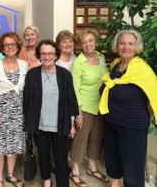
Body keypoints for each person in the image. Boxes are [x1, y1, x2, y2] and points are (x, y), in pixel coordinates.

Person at [99, 30, 157, 187]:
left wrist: (144, 116)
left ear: (136, 47)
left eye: (130, 44)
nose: (126, 47)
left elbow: (154, 95)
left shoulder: (142, 69)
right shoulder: (115, 65)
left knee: (132, 165)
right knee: (113, 157)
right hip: (111, 122)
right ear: (117, 46)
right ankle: (115, 183)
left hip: (133, 126)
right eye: (122, 43)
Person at [23, 40, 79, 187]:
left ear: (56, 55)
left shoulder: (65, 74)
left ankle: (62, 183)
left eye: (50, 53)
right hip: (39, 125)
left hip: (60, 124)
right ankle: (46, 180)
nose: (47, 56)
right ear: (39, 55)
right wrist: (28, 123)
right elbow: (27, 100)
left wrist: (72, 123)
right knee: (43, 154)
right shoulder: (32, 74)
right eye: (43, 53)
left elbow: (70, 100)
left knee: (61, 157)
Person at [0, 32, 29, 187]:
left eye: (13, 44)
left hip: (19, 111)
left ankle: (10, 175)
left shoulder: (24, 65)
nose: (10, 47)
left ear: (18, 46)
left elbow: (27, 89)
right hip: (1, 111)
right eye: (7, 45)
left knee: (14, 145)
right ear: (2, 48)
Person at [69, 29, 108, 187]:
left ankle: (92, 167)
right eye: (84, 42)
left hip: (101, 105)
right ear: (80, 45)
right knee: (80, 139)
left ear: (96, 42)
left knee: (97, 137)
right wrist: (78, 112)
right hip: (84, 106)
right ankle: (75, 171)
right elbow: (75, 88)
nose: (87, 44)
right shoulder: (78, 63)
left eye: (90, 41)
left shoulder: (101, 57)